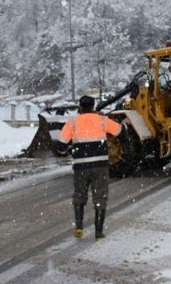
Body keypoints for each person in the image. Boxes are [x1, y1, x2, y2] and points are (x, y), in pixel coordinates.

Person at [58, 95, 124, 239]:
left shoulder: (72, 122)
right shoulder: (102, 120)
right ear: (93, 107)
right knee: (100, 196)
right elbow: (119, 131)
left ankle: (79, 226)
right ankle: (99, 232)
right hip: (100, 165)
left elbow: (62, 142)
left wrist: (67, 148)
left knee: (79, 195)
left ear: (80, 107)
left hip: (81, 166)